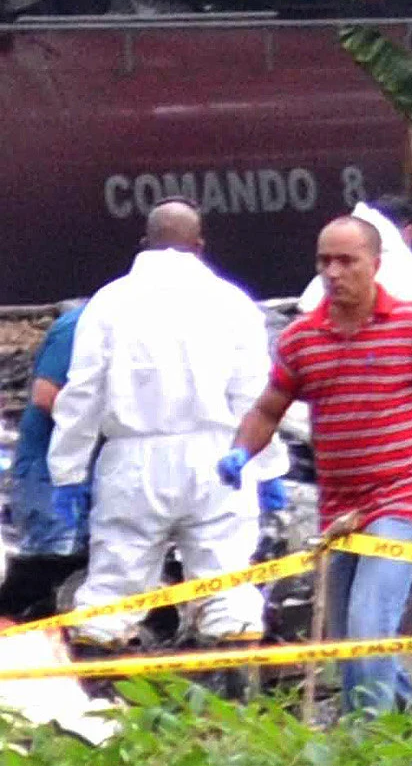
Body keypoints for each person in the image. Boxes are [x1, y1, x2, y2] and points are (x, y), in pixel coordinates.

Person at [228, 215, 412, 713]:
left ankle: (365, 737)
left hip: (403, 496)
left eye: (346, 261)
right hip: (340, 508)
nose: (334, 272)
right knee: (345, 642)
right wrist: (241, 452)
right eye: (324, 261)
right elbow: (269, 408)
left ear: (374, 265)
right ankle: (411, 729)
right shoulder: (301, 339)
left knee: (368, 623)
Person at [46, 201, 279, 650]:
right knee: (228, 591)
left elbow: (83, 394)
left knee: (110, 596)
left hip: (132, 464)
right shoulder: (232, 302)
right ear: (200, 246)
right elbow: (255, 395)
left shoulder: (109, 303)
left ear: (144, 243)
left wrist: (68, 472)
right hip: (219, 461)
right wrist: (266, 465)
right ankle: (236, 705)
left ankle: (105, 704)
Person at [0, 300, 88, 622]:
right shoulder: (79, 326)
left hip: (83, 470)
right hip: (50, 472)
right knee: (48, 565)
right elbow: (46, 395)